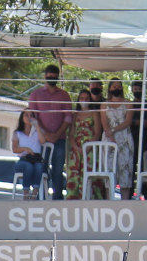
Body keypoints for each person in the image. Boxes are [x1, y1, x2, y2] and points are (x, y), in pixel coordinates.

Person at [27, 64, 72, 198]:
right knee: (40, 169)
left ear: (58, 77)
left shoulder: (64, 95)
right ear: (45, 76)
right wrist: (45, 134)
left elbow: (68, 117)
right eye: (49, 75)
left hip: (60, 139)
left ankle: (57, 200)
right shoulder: (36, 94)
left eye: (54, 75)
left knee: (58, 172)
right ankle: (40, 198)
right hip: (40, 140)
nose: (51, 77)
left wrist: (56, 135)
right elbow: (32, 116)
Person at [65, 89, 101, 200]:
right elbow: (71, 134)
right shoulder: (75, 114)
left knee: (88, 173)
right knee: (74, 174)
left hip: (90, 148)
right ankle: (73, 198)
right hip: (76, 149)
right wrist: (75, 147)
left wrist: (88, 146)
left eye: (86, 98)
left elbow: (97, 132)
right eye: (81, 98)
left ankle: (89, 198)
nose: (84, 101)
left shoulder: (94, 113)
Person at [100, 78, 134, 195]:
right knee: (109, 169)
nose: (117, 88)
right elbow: (104, 122)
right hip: (108, 139)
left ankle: (124, 201)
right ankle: (110, 200)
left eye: (119, 86)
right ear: (109, 89)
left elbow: (128, 121)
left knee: (125, 170)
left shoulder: (128, 103)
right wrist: (110, 136)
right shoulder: (104, 104)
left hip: (125, 138)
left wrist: (114, 130)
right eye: (114, 87)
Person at [11, 110, 46, 199]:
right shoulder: (17, 133)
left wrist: (37, 126)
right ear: (22, 118)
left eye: (31, 115)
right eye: (26, 115)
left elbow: (43, 141)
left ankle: (35, 193)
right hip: (23, 159)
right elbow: (14, 149)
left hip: (36, 159)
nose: (29, 117)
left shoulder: (38, 131)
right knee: (28, 166)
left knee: (39, 166)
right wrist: (25, 149)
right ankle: (26, 192)